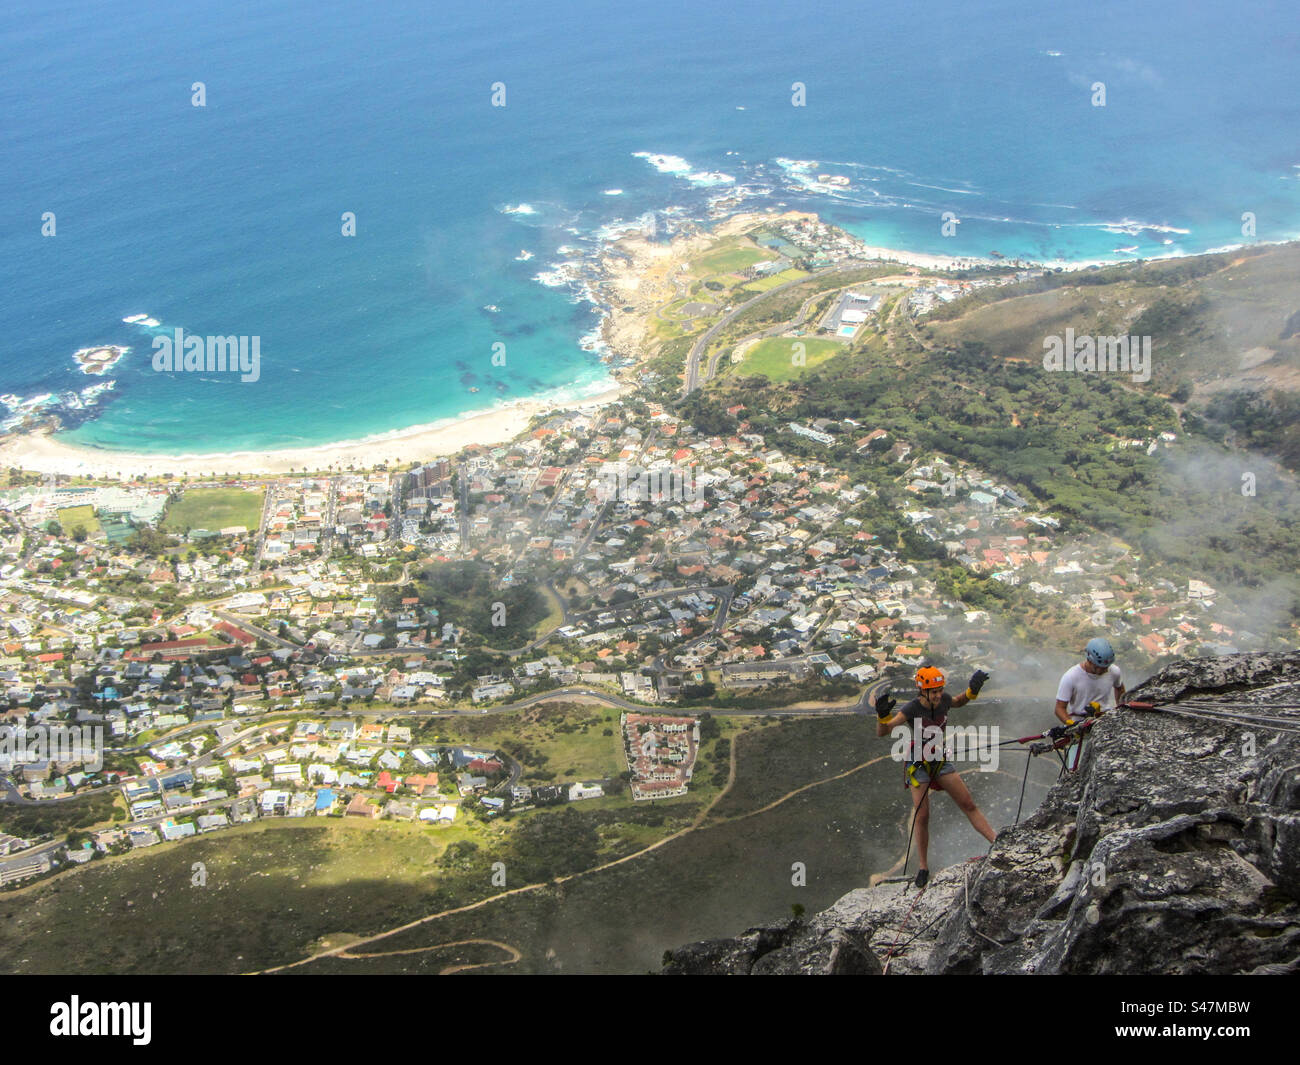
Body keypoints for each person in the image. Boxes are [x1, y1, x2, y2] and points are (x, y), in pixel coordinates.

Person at [874, 665, 996, 889]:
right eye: (934, 691)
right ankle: (922, 867)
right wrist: (882, 716)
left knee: (968, 803)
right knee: (922, 816)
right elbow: (884, 731)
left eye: (940, 690)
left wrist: (972, 690)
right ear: (922, 691)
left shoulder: (944, 700)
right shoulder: (911, 709)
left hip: (939, 759)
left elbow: (958, 702)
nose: (938, 695)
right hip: (918, 764)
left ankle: (997, 843)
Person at [1051, 637, 1125, 737]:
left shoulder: (1113, 671)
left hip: (1105, 721)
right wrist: (1072, 726)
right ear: (1090, 661)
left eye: (1106, 667)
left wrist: (1121, 710)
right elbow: (1059, 708)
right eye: (1100, 667)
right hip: (1081, 723)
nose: (1104, 670)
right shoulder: (1071, 676)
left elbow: (1119, 688)